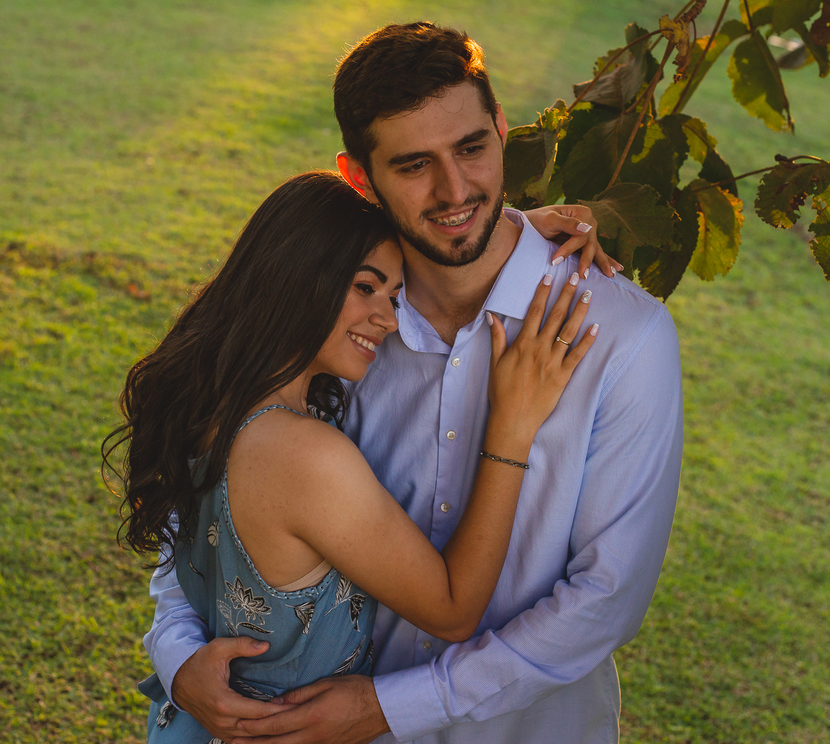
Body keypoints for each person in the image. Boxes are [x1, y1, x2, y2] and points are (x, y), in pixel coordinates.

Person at [146, 22, 683, 744]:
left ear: (500, 130)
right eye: (413, 165)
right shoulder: (345, 322)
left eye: (471, 148)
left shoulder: (625, 336)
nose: (455, 189)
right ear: (359, 177)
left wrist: (391, 705)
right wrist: (177, 655)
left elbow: (604, 598)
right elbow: (207, 506)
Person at [105, 170, 598, 743]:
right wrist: (512, 430)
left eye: (393, 296)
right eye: (365, 288)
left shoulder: (205, 403)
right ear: (296, 274)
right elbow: (453, 608)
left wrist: (513, 240)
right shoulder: (304, 457)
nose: (388, 320)